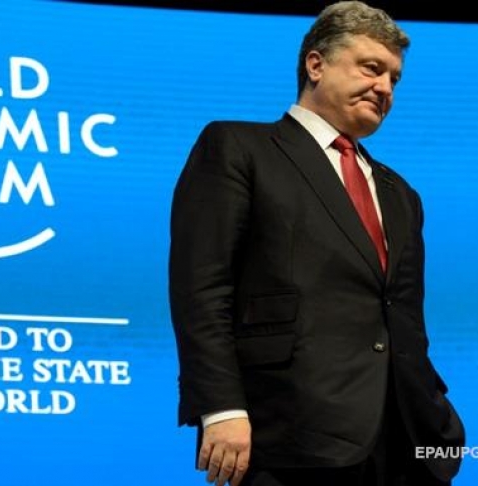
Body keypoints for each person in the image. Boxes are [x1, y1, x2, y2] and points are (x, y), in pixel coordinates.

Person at [168, 2, 466, 486]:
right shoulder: (239, 148)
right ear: (316, 64)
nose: (385, 88)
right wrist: (221, 407)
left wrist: (441, 422)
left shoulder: (401, 194)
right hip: (289, 434)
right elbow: (202, 289)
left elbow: (402, 316)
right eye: (371, 68)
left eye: (394, 78)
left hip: (407, 443)